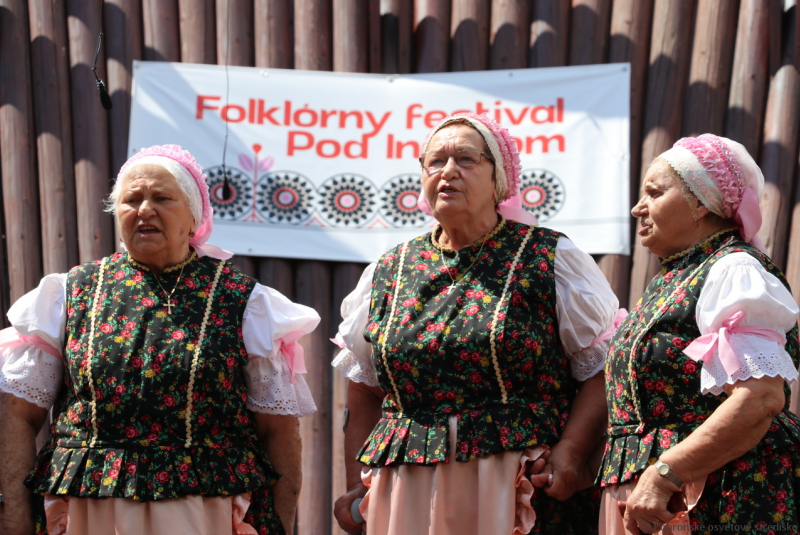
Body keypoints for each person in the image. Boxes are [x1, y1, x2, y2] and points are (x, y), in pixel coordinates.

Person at [0, 144, 319, 535]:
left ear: (194, 217)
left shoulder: (244, 302)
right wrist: (14, 517)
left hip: (203, 510)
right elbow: (19, 415)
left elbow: (278, 431)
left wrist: (280, 522)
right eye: (131, 200)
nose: (145, 210)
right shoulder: (70, 294)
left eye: (162, 198)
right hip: (93, 508)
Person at [331, 113, 623, 535]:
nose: (447, 172)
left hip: (516, 481)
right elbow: (364, 391)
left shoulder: (548, 258)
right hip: (410, 485)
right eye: (435, 161)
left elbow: (599, 370)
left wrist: (572, 454)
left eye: (466, 159)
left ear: (498, 179)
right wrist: (355, 485)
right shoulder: (389, 269)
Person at [600, 134, 800, 533]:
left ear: (700, 203)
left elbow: (760, 397)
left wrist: (664, 474)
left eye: (654, 193)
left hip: (717, 496)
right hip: (658, 497)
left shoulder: (733, 269)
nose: (639, 207)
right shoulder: (674, 277)